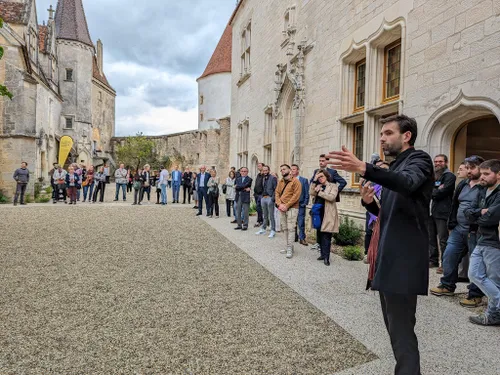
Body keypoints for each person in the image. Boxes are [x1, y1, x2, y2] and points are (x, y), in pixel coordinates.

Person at [328, 114, 434, 375]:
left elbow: (408, 184)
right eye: (381, 134)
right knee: (395, 330)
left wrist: (364, 168)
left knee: (401, 331)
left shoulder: (419, 160)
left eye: (388, 133)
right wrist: (369, 202)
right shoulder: (395, 166)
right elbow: (389, 213)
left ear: (406, 136)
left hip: (404, 259)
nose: (382, 138)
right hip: (389, 257)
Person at [430, 156, 486, 308]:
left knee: (476, 264)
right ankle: (447, 285)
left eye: (472, 167)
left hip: (475, 231)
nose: (469, 171)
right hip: (458, 229)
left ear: (481, 168)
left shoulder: (485, 186)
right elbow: (454, 204)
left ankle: (475, 294)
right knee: (449, 255)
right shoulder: (463, 184)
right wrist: (452, 223)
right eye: (467, 167)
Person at [464, 159, 500, 326]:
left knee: (494, 279)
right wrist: (480, 212)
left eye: (487, 174)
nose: (482, 177)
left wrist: (477, 215)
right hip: (481, 238)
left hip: (494, 242)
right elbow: (467, 213)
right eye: (482, 173)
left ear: (498, 175)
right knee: (474, 274)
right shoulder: (481, 190)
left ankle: (493, 315)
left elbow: (490, 219)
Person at [310, 154, 347, 251]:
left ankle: (325, 248)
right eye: (320, 160)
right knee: (318, 223)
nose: (321, 162)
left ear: (327, 161)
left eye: (323, 160)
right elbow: (312, 184)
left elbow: (343, 182)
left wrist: (334, 192)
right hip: (318, 201)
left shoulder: (332, 172)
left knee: (326, 225)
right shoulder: (316, 172)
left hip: (327, 202)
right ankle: (318, 243)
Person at [429, 154, 456, 270]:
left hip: (442, 212)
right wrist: (434, 190)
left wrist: (431, 191)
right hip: (431, 211)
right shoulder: (433, 176)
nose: (437, 164)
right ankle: (433, 261)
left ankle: (445, 264)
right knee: (430, 238)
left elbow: (442, 192)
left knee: (443, 239)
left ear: (446, 162)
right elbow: (430, 190)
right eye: (435, 162)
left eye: (440, 161)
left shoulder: (449, 176)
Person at [309, 169, 339, 266]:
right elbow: (311, 192)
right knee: (320, 235)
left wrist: (320, 192)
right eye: (319, 177)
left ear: (326, 176)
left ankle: (327, 257)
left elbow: (331, 197)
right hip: (318, 213)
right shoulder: (318, 185)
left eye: (322, 176)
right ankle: (322, 254)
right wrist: (314, 181)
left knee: (326, 236)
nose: (320, 178)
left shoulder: (333, 186)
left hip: (327, 214)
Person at [275, 164, 302, 259]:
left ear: (290, 170)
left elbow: (296, 196)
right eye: (281, 169)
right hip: (282, 208)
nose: (282, 171)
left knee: (291, 228)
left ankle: (290, 248)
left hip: (292, 208)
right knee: (285, 228)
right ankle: (288, 246)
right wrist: (279, 204)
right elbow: (277, 193)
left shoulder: (296, 181)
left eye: (284, 169)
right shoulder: (281, 181)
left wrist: (286, 205)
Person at [256, 165, 278, 238]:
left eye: (266, 170)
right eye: (264, 170)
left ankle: (273, 230)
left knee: (271, 215)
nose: (265, 172)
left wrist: (273, 199)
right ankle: (263, 228)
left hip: (270, 198)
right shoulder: (263, 178)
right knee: (264, 215)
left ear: (268, 170)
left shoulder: (273, 178)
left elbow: (276, 189)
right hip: (263, 198)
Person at [291, 164, 310, 246]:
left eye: (294, 169)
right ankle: (295, 236)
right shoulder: (289, 180)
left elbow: (307, 193)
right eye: (291, 169)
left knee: (301, 222)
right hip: (291, 205)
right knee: (292, 221)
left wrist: (305, 202)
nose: (292, 171)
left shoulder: (304, 180)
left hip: (300, 204)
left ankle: (302, 238)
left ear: (297, 170)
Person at [253, 162, 264, 227]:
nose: (258, 167)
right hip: (256, 194)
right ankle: (260, 220)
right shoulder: (258, 175)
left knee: (259, 207)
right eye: (258, 166)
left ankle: (260, 221)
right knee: (258, 208)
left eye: (259, 166)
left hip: (261, 194)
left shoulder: (264, 175)